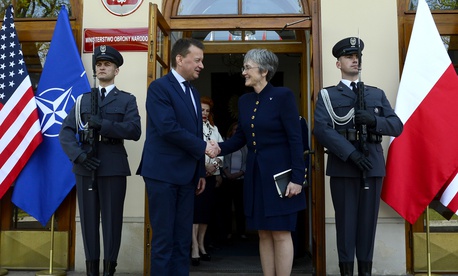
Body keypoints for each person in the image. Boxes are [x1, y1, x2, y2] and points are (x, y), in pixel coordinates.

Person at [313, 37, 403, 276]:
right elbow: (322, 129)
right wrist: (351, 154)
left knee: (367, 226)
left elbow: (397, 126)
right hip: (344, 167)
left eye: (357, 57)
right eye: (349, 57)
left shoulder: (376, 94)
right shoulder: (328, 96)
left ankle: (365, 272)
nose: (355, 60)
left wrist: (375, 120)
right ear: (338, 63)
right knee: (345, 225)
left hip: (372, 165)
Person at [219, 48, 306, 276]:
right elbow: (241, 137)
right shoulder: (245, 101)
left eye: (248, 67)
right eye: (244, 67)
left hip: (281, 177)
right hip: (256, 175)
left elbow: (295, 139)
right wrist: (218, 148)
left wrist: (298, 178)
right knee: (264, 233)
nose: (243, 72)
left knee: (280, 232)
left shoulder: (283, 96)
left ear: (264, 71)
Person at [136, 38, 220, 276]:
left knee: (183, 240)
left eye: (202, 61)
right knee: (164, 241)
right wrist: (204, 146)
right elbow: (167, 128)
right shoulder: (159, 87)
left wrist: (199, 172)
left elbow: (192, 131)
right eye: (198, 60)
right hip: (162, 175)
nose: (201, 65)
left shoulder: (193, 92)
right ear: (180, 59)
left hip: (187, 178)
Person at [59, 45, 141, 276]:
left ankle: (108, 271)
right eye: (99, 64)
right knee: (88, 221)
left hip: (113, 166)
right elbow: (65, 132)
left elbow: (134, 130)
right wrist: (79, 155)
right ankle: (92, 271)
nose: (102, 68)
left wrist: (104, 125)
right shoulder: (83, 100)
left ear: (116, 70)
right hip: (86, 166)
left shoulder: (126, 100)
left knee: (112, 221)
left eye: (107, 64)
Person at [191, 96, 224, 266]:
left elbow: (222, 150)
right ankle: (194, 248)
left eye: (207, 110)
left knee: (205, 213)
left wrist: (216, 165)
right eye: (202, 110)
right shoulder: (192, 126)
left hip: (211, 175)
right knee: (195, 213)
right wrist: (203, 168)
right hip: (197, 175)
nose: (204, 113)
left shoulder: (214, 128)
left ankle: (202, 245)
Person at [221, 122, 247, 241]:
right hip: (227, 179)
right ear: (231, 131)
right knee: (226, 207)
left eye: (238, 129)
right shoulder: (226, 143)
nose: (236, 131)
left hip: (240, 180)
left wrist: (239, 173)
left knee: (240, 207)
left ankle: (242, 231)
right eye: (234, 129)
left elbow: (247, 161)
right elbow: (223, 159)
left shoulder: (245, 145)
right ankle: (227, 232)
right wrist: (228, 174)